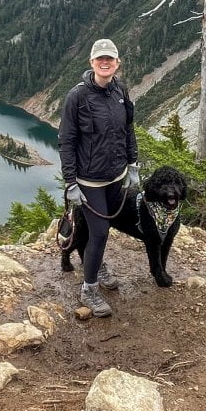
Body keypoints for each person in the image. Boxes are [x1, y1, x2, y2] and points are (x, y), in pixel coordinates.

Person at [58, 37, 139, 317]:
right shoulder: (77, 96)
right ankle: (89, 288)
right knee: (101, 232)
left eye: (110, 59)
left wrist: (133, 164)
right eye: (100, 59)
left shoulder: (120, 91)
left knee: (102, 231)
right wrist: (71, 182)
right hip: (89, 181)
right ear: (91, 63)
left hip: (116, 177)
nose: (105, 63)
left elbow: (128, 130)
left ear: (117, 63)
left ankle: (97, 265)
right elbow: (66, 141)